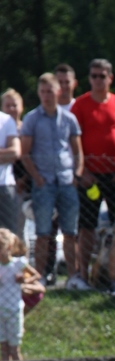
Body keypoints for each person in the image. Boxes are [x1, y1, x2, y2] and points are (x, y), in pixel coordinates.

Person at [71, 58, 115, 285]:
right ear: (89, 78)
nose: (98, 80)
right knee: (86, 227)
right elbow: (74, 141)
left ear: (110, 78)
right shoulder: (80, 104)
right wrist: (83, 171)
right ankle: (83, 275)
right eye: (94, 76)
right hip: (90, 178)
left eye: (102, 76)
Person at [20, 73, 82, 283]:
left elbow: (77, 150)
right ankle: (39, 277)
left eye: (50, 91)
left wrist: (77, 174)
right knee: (43, 233)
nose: (46, 96)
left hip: (66, 181)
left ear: (58, 92)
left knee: (71, 232)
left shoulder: (69, 119)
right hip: (44, 183)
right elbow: (24, 152)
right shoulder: (32, 119)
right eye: (42, 91)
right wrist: (36, 177)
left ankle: (73, 277)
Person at [0, 228, 41, 361]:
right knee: (4, 349)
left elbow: (36, 275)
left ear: (9, 247)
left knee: (14, 349)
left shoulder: (18, 264)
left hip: (14, 309)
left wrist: (24, 280)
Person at [2, 89, 29, 239]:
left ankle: (18, 260)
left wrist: (24, 179)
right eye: (8, 105)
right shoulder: (4, 126)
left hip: (23, 183)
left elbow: (21, 154)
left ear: (21, 107)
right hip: (9, 180)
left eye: (14, 105)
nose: (11, 108)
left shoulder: (26, 127)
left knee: (18, 228)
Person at [0, 96, 21, 233]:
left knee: (10, 235)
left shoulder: (6, 120)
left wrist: (8, 155)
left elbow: (15, 152)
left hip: (4, 185)